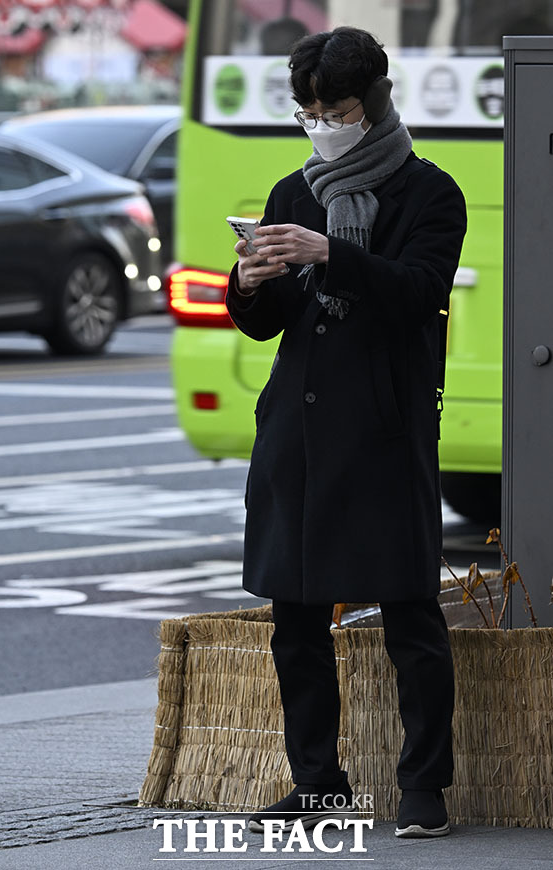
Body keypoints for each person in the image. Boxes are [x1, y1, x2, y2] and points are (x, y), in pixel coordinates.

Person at [225, 26, 467, 839]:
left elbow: (420, 292)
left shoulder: (430, 192)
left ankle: (424, 788)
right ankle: (318, 784)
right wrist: (249, 281)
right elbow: (269, 321)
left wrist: (331, 253)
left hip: (385, 432)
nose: (324, 125)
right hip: (297, 433)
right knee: (295, 620)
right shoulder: (293, 193)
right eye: (311, 113)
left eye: (338, 110)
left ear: (376, 101)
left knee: (411, 616)